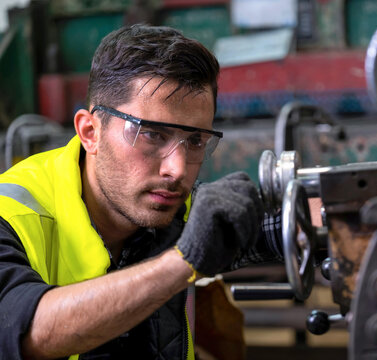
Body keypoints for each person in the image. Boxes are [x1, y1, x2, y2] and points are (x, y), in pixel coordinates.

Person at [0, 25, 284, 359]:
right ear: (90, 132)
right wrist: (182, 263)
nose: (177, 170)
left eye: (194, 141)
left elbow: (290, 224)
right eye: (151, 135)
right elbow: (24, 333)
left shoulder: (177, 210)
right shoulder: (13, 214)